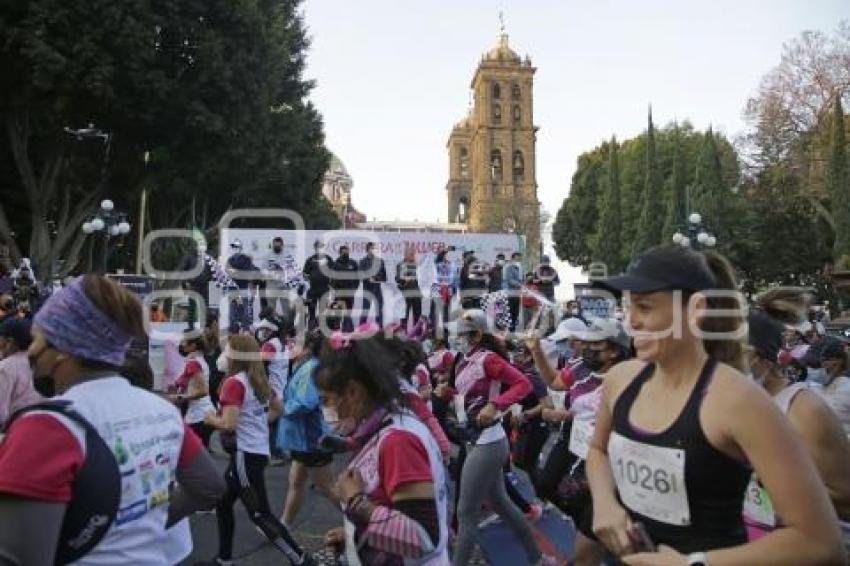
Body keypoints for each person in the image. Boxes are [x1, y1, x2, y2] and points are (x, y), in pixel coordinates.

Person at [586, 246, 844, 564]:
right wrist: (604, 502)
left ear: (695, 310)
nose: (631, 322)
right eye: (628, 307)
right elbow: (597, 450)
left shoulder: (738, 402)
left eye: (645, 307)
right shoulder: (620, 380)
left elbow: (821, 543)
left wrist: (693, 564)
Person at [0, 275, 224, 564]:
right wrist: (142, 526)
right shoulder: (161, 410)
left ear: (62, 351)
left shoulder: (45, 425)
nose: (30, 351)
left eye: (37, 339)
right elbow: (208, 486)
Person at [316, 333, 450, 565]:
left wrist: (357, 502)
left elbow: (423, 538)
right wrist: (355, 535)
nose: (324, 409)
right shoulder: (382, 427)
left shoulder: (398, 441)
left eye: (326, 400)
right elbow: (391, 508)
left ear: (353, 392)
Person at [437, 309, 547, 566]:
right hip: (476, 439)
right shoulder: (465, 358)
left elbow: (524, 384)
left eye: (460, 334)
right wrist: (448, 392)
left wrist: (496, 405)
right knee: (502, 505)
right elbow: (469, 394)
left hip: (488, 441)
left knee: (466, 513)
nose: (455, 338)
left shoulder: (488, 359)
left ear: (475, 335)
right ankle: (538, 559)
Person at [745, 291, 850, 550]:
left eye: (730, 356)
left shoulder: (804, 411)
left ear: (762, 358)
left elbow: (845, 498)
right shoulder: (739, 407)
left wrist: (776, 481)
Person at [202, 334, 312, 566]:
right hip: (255, 452)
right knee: (223, 504)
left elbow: (229, 424)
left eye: (229, 349)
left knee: (260, 514)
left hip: (244, 454)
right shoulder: (258, 380)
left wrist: (211, 419)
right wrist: (258, 422)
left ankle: (301, 560)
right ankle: (223, 559)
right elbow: (278, 409)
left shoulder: (235, 383)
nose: (225, 354)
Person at [530, 318, 631, 566]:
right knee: (549, 487)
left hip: (614, 467)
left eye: (594, 344)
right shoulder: (577, 368)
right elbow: (554, 382)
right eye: (584, 342)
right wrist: (536, 350)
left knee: (586, 548)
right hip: (579, 448)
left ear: (614, 350)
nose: (585, 348)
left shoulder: (631, 378)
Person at [277, 330, 336, 528]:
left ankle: (358, 518)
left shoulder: (312, 368)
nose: (291, 346)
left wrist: (282, 408)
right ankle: (283, 525)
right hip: (303, 438)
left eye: (296, 343)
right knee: (296, 482)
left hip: (311, 438)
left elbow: (306, 402)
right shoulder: (306, 366)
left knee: (326, 486)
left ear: (308, 348)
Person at [171, 332, 216, 448]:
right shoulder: (199, 360)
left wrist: (180, 397)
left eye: (184, 342)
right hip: (204, 413)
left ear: (193, 345)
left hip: (198, 416)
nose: (181, 345)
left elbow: (203, 390)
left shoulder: (193, 363)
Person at [0, 318, 41, 430]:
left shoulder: (5, 368)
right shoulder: (39, 361)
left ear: (9, 342)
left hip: (15, 429)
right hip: (40, 425)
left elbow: (1, 415)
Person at [805, 336, 850, 435]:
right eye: (810, 366)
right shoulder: (812, 387)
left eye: (817, 365)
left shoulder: (846, 388)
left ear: (837, 362)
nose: (812, 370)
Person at [225, 239, 259, 333]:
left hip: (242, 287)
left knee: (243, 309)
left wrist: (235, 271)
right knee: (232, 309)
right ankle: (233, 328)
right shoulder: (230, 259)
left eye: (236, 247)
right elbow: (227, 271)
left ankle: (245, 329)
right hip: (232, 288)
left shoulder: (246, 259)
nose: (234, 249)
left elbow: (247, 272)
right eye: (233, 247)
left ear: (240, 248)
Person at [303, 240, 334, 328]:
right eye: (318, 247)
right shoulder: (310, 259)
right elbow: (305, 273)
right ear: (315, 248)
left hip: (325, 288)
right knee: (311, 310)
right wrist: (308, 277)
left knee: (323, 311)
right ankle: (311, 328)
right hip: (313, 289)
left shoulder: (328, 259)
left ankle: (322, 328)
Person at [330, 245, 360, 332]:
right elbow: (332, 279)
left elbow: (357, 277)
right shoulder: (335, 264)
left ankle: (347, 330)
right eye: (344, 252)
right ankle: (336, 330)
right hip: (339, 293)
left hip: (350, 292)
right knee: (338, 312)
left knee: (348, 313)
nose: (346, 253)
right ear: (340, 253)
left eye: (347, 252)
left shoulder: (353, 263)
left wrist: (355, 288)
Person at [359, 242, 387, 327]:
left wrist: (377, 278)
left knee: (379, 309)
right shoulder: (362, 261)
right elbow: (360, 275)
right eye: (372, 248)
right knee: (365, 309)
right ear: (367, 250)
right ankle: (361, 327)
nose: (373, 250)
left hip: (377, 289)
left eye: (375, 248)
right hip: (367, 289)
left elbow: (384, 277)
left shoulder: (380, 261)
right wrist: (368, 278)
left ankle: (380, 328)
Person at [396, 247, 423, 326]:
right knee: (404, 315)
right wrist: (404, 280)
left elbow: (421, 280)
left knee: (417, 315)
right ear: (406, 255)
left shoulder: (417, 265)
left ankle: (417, 333)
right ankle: (403, 332)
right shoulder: (400, 265)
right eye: (412, 254)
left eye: (414, 254)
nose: (414, 256)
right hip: (406, 293)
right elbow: (397, 279)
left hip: (416, 293)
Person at [430, 248, 457, 327]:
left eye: (446, 255)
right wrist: (446, 250)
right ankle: (433, 328)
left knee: (445, 311)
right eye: (444, 255)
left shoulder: (450, 264)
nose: (445, 257)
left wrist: (453, 290)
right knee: (435, 311)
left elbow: (454, 279)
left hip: (447, 292)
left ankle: (445, 329)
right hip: (437, 291)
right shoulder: (436, 263)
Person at [502, 252, 523, 331]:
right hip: (510, 294)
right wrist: (519, 285)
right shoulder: (509, 268)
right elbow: (510, 280)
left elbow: (522, 280)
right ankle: (509, 331)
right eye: (517, 258)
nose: (519, 260)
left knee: (516, 313)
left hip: (517, 294)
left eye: (519, 258)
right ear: (513, 259)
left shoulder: (520, 268)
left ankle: (512, 331)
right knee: (510, 313)